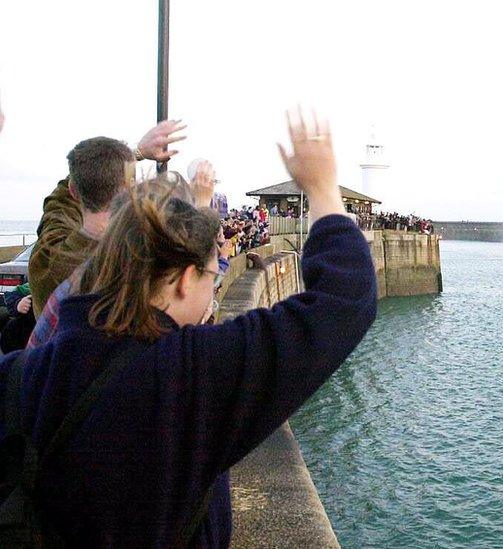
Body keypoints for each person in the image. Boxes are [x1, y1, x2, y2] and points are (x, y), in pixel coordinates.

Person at [0, 108, 376, 546]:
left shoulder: (24, 375)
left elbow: (72, 204)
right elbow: (345, 300)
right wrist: (324, 190)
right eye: (211, 271)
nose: (217, 276)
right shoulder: (192, 376)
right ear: (182, 280)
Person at [28, 121, 186, 316]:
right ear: (129, 188)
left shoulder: (46, 257)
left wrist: (136, 154)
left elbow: (59, 202)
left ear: (74, 191)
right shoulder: (138, 263)